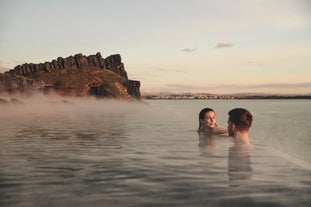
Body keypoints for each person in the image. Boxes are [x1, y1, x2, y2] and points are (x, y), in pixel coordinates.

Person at [227, 108, 253, 186]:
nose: (227, 126)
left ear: (233, 126)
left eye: (228, 123)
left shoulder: (239, 150)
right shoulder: (247, 145)